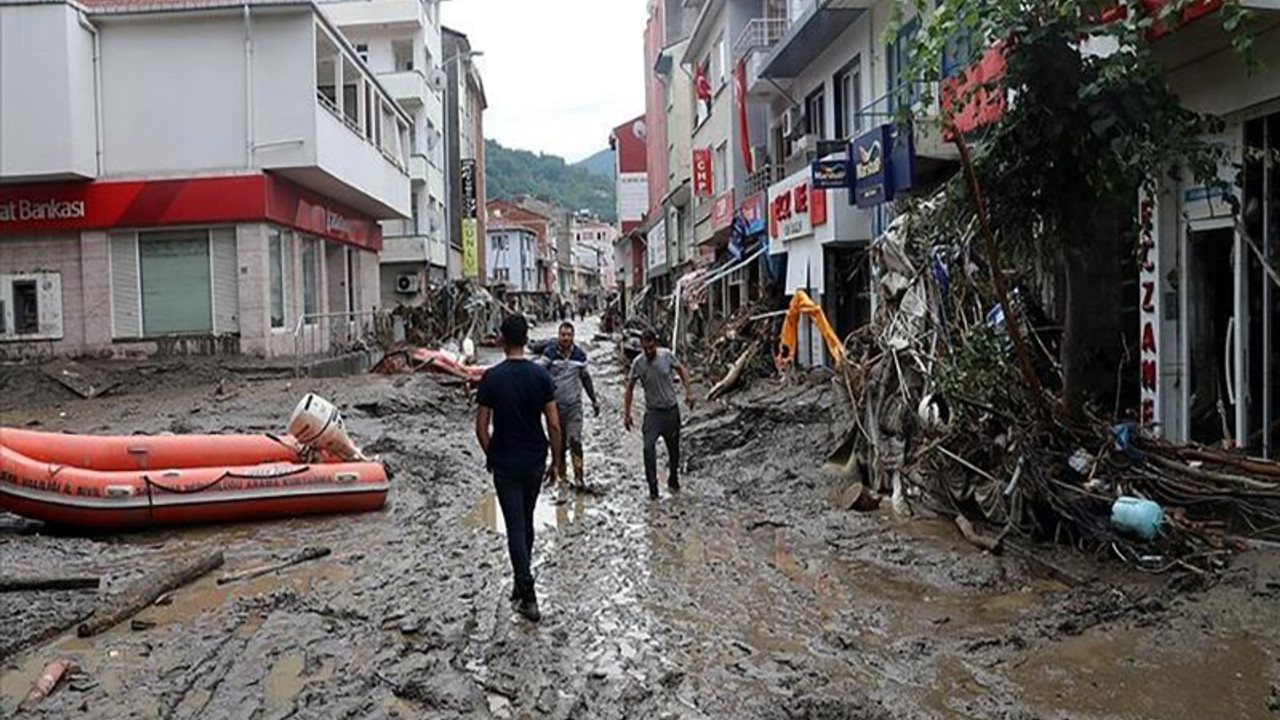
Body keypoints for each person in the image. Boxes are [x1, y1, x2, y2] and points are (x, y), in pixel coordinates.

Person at [475, 314, 562, 623]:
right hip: (535, 461)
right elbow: (553, 422)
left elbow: (481, 426)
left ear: (501, 339)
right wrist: (557, 460)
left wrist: (492, 453)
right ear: (526, 339)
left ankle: (527, 592)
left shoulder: (491, 378)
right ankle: (520, 581)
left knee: (515, 525)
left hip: (506, 463)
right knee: (525, 521)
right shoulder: (541, 377)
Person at [623, 329, 695, 500]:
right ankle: (653, 488)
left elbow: (682, 370)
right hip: (653, 413)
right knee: (648, 448)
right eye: (645, 349)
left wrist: (689, 392)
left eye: (651, 348)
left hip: (670, 411)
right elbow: (629, 388)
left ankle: (673, 478)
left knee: (673, 450)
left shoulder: (667, 356)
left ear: (655, 344)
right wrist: (627, 413)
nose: (648, 352)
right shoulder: (638, 363)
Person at [540, 322, 600, 502]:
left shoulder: (580, 356)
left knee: (575, 440)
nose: (565, 338)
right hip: (554, 408)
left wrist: (594, 400)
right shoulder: (550, 354)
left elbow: (586, 379)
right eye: (563, 335)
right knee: (558, 445)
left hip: (574, 407)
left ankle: (579, 478)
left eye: (568, 335)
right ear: (558, 336)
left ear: (573, 337)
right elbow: (539, 374)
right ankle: (562, 478)